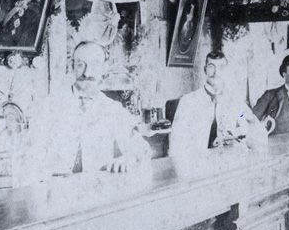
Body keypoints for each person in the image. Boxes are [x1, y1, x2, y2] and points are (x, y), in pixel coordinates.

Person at [27, 41, 149, 178]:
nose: (87, 73)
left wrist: (128, 158)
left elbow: (142, 149)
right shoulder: (49, 106)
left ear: (104, 68)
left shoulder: (112, 109)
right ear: (71, 67)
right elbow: (30, 156)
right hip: (55, 191)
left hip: (96, 191)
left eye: (95, 65)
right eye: (80, 65)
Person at [170, 50, 267, 164]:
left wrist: (238, 135)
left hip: (227, 163)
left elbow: (248, 126)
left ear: (226, 71)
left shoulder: (235, 102)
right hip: (196, 165)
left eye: (221, 67)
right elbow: (176, 142)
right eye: (211, 66)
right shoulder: (188, 102)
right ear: (205, 69)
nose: (215, 72)